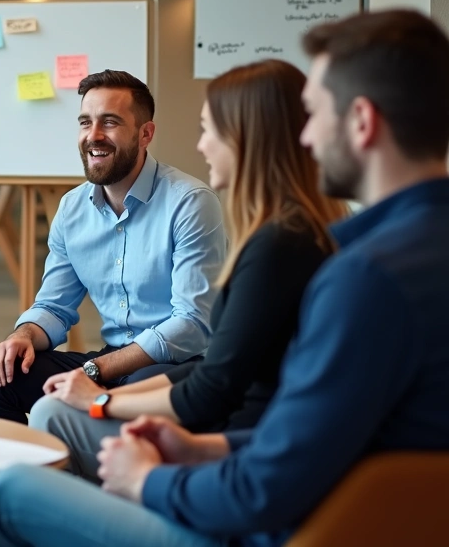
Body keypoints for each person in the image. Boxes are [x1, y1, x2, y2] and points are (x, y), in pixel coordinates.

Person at [0, 8, 449, 547]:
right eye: (85, 121)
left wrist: (149, 479)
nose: (307, 137)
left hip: (244, 505)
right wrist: (25, 335)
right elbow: (301, 432)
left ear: (361, 121)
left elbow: (263, 469)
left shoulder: (356, 274)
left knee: (14, 492)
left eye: (314, 114)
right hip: (242, 463)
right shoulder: (368, 252)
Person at [30, 59, 346, 480]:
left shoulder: (275, 245)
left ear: (249, 139)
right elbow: (222, 372)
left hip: (240, 467)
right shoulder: (293, 234)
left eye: (209, 130)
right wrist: (82, 380)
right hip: (235, 443)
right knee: (12, 389)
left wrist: (101, 400)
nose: (202, 146)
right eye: (85, 121)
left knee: (23, 469)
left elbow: (213, 381)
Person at [0, 70, 227, 424]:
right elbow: (54, 307)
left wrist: (93, 370)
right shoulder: (72, 209)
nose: (94, 136)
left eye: (110, 122)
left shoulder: (190, 202)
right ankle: (35, 473)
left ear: (145, 133)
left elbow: (193, 324)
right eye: (85, 122)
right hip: (109, 360)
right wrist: (23, 335)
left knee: (143, 391)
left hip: (178, 366)